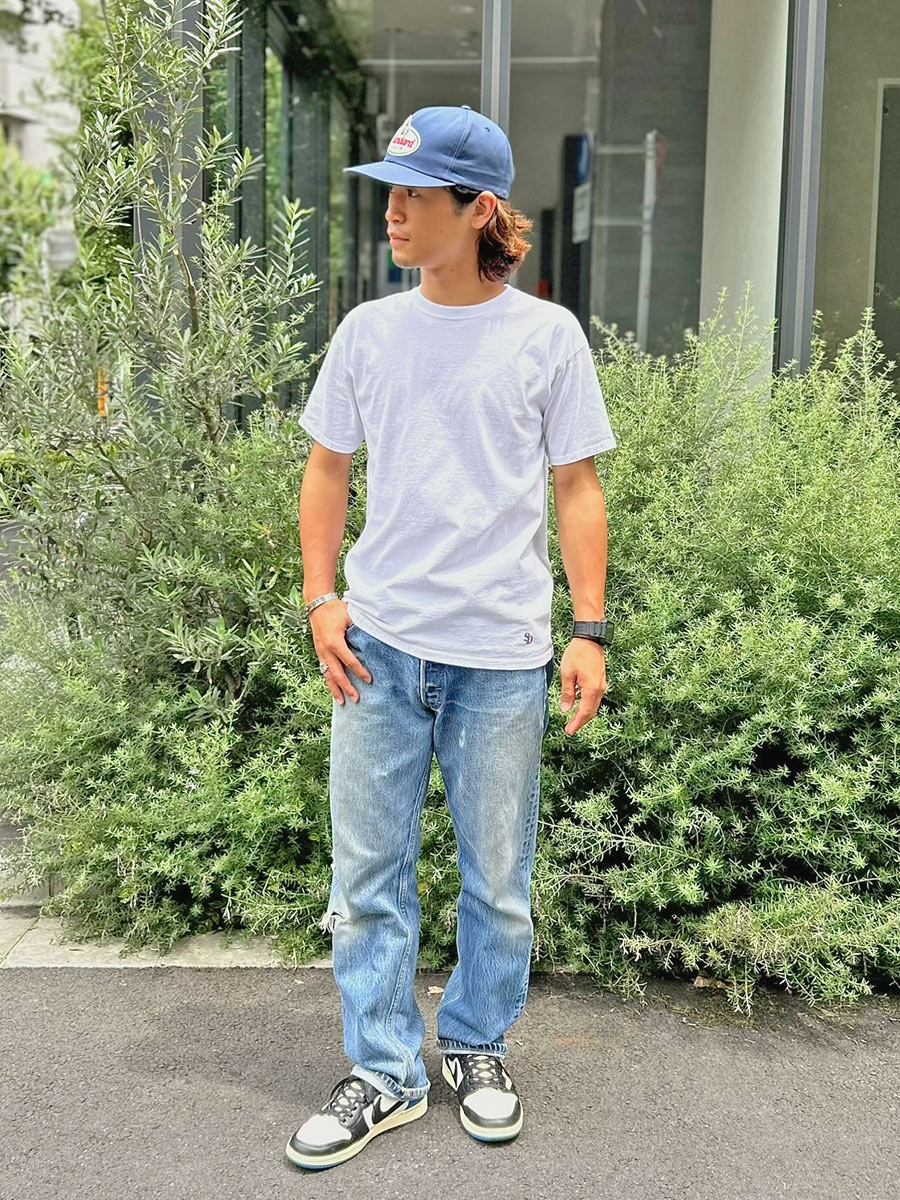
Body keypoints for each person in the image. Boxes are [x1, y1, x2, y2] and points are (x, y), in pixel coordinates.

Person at [286, 104, 617, 1172]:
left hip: (503, 656)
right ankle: (385, 1072)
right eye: (389, 192)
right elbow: (326, 469)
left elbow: (577, 488)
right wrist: (321, 600)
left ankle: (476, 1044)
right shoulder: (368, 332)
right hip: (377, 649)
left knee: (499, 884)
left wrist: (589, 629)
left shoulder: (545, 338)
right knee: (365, 882)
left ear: (478, 210)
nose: (392, 211)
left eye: (413, 195)